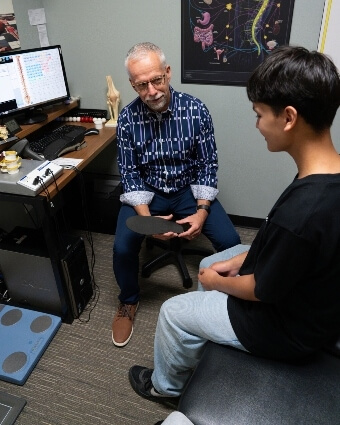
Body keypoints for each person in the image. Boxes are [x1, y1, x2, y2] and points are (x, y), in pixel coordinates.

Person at [128, 45, 340, 403]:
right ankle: (200, 338)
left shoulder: (302, 212)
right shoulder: (325, 176)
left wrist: (214, 282)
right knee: (213, 260)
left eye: (259, 114)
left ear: (288, 118)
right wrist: (234, 264)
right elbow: (281, 249)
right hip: (305, 294)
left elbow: (261, 289)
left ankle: (165, 387)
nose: (256, 125)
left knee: (173, 310)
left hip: (285, 328)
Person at [112, 42, 240, 347]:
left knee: (231, 243)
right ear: (133, 85)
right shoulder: (128, 119)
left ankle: (228, 301)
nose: (152, 91)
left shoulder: (196, 110)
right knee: (121, 247)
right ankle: (128, 300)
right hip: (148, 193)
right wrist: (148, 223)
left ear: (168, 73)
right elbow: (130, 174)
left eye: (157, 80)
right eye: (142, 85)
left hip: (187, 190)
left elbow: (208, 163)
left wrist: (202, 210)